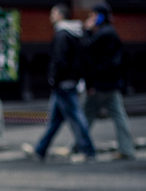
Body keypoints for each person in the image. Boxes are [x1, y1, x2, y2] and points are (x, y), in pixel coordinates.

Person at [23, 4, 96, 162]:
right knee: (55, 120)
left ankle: (88, 150)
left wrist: (52, 79)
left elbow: (58, 60)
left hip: (63, 83)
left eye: (53, 13)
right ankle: (40, 149)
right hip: (70, 81)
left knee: (76, 117)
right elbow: (84, 60)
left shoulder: (62, 35)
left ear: (60, 16)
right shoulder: (76, 33)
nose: (51, 16)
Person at [81, 3, 135, 160]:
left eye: (92, 16)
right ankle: (126, 149)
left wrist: (86, 30)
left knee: (86, 114)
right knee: (117, 115)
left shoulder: (105, 33)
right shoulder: (109, 32)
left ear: (100, 16)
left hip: (101, 83)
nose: (90, 19)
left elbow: (86, 47)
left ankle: (79, 146)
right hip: (110, 82)